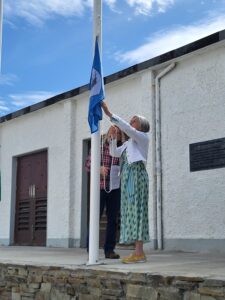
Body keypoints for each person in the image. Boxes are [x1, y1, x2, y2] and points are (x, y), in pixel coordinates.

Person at [101, 101, 150, 264]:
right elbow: (114, 153)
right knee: (130, 212)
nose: (130, 122)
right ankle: (138, 252)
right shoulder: (128, 144)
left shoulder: (142, 137)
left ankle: (139, 253)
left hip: (136, 175)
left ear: (141, 125)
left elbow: (129, 130)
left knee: (138, 211)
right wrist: (114, 139)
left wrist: (110, 114)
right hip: (128, 177)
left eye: (134, 120)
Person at [85, 126, 123, 259]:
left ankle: (109, 250)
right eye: (112, 131)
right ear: (108, 133)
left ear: (120, 137)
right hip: (100, 188)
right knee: (95, 217)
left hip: (115, 188)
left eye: (117, 133)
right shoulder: (99, 146)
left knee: (113, 220)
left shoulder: (120, 150)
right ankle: (91, 248)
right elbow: (88, 165)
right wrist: (98, 168)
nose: (114, 134)